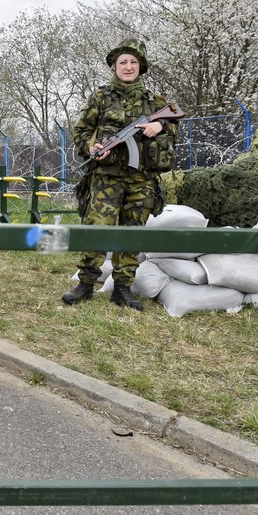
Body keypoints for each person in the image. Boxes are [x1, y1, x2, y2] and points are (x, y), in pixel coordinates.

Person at [62, 38, 180, 311]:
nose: (128, 67)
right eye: (123, 62)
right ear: (114, 67)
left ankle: (123, 289)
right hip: (107, 176)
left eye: (133, 62)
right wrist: (92, 147)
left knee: (132, 232)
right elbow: (81, 131)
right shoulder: (101, 97)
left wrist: (160, 125)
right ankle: (85, 284)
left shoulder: (155, 101)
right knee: (97, 229)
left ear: (141, 67)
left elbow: (175, 126)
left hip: (141, 179)